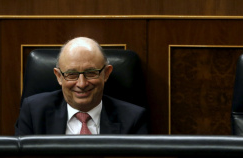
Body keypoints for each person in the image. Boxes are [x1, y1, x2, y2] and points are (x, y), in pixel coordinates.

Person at [15, 37, 148, 135]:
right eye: (71, 74)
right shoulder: (34, 112)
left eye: (91, 73)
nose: (82, 83)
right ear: (59, 76)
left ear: (106, 73)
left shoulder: (133, 119)